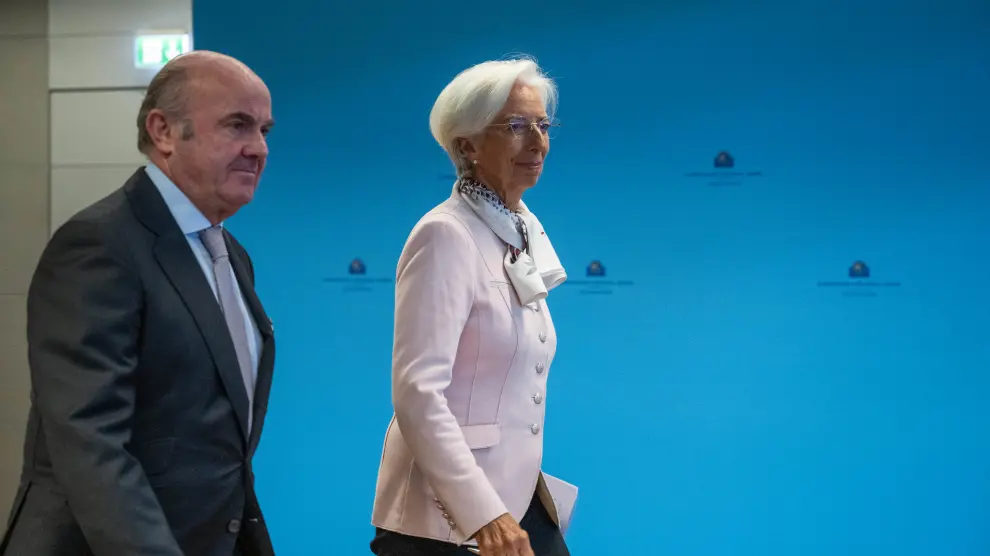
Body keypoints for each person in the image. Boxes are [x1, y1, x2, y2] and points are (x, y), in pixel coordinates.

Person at [0, 50, 277, 556]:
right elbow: (90, 441)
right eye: (237, 125)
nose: (258, 148)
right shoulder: (98, 245)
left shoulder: (230, 255)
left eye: (264, 130)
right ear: (163, 131)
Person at [369, 57, 578, 556]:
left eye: (543, 125)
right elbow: (418, 392)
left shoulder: (517, 230)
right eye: (516, 127)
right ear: (467, 145)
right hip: (447, 522)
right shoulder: (445, 235)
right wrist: (483, 514)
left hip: (517, 497)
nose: (538, 142)